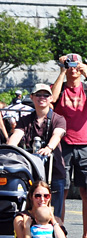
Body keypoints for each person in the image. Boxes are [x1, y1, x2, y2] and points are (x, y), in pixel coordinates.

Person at [51, 52, 87, 238]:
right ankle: (59, 232)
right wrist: (61, 73)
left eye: (76, 64)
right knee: (60, 191)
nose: (73, 67)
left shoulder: (85, 88)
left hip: (85, 145)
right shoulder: (60, 86)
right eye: (69, 64)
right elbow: (52, 99)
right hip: (62, 144)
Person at [8, 84, 68, 221]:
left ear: (51, 98)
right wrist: (9, 149)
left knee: (55, 211)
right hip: (32, 172)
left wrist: (49, 148)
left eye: (46, 95)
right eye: (38, 95)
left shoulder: (58, 119)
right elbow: (16, 135)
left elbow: (57, 135)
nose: (42, 98)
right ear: (32, 97)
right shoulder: (25, 120)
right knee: (29, 209)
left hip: (54, 171)